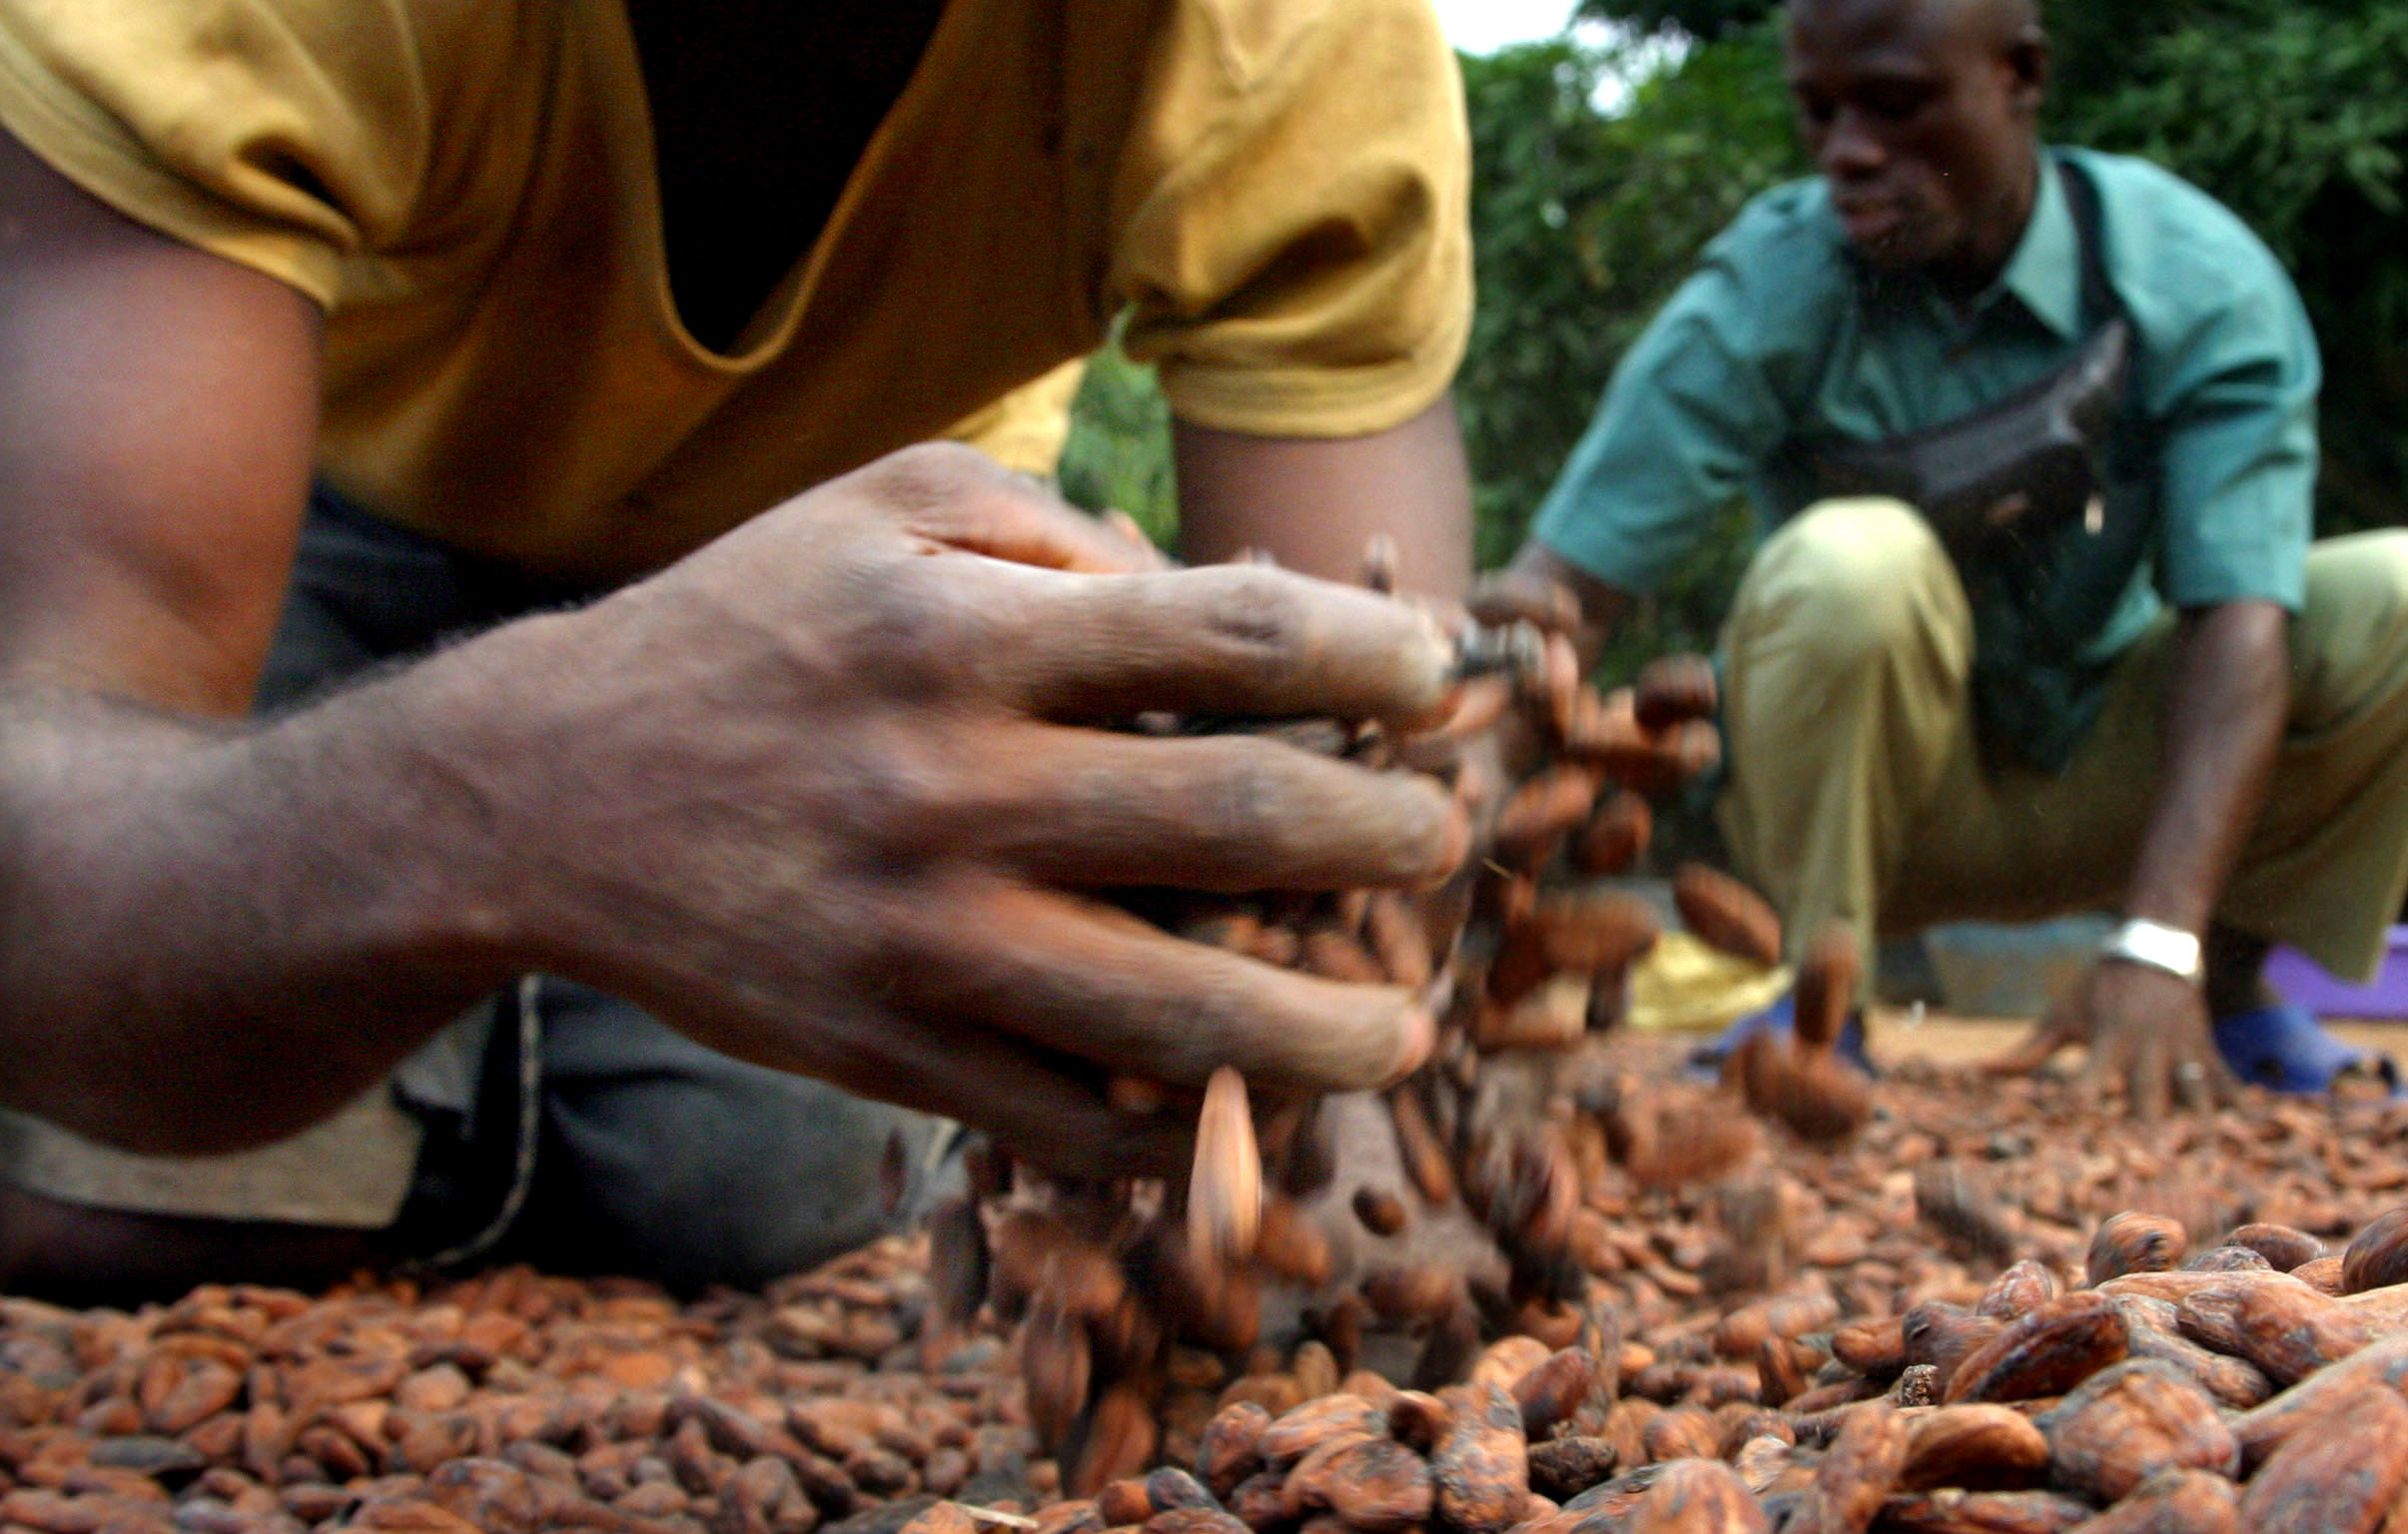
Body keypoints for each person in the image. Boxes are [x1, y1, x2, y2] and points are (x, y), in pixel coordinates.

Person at [0, 0, 1478, 1298]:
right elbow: (46, 825)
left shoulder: (1295, 38)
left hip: (868, 571)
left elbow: (1369, 775)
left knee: (764, 1202)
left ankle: (489, 1081)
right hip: (308, 496)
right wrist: (513, 794)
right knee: (138, 1214)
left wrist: (1335, 1101)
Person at [1497, 0, 2408, 1115]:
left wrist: (2161, 938)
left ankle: (2220, 990)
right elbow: (1561, 595)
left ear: (2020, 75)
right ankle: (1822, 1009)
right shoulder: (1776, 281)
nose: (1849, 154)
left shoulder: (2189, 273)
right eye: (1819, 114)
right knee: (1850, 562)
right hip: (1879, 810)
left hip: (2126, 774)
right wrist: (1435, 832)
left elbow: (2239, 616)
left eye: (1895, 104)